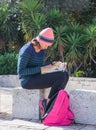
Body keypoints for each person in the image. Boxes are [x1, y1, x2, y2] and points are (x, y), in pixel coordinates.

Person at [17, 27, 69, 116]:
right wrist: (42, 69)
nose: (47, 46)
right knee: (61, 76)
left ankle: (49, 103)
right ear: (40, 40)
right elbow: (21, 71)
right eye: (47, 44)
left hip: (36, 77)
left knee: (64, 74)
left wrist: (52, 66)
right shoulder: (27, 50)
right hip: (26, 81)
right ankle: (49, 105)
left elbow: (39, 67)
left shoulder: (42, 50)